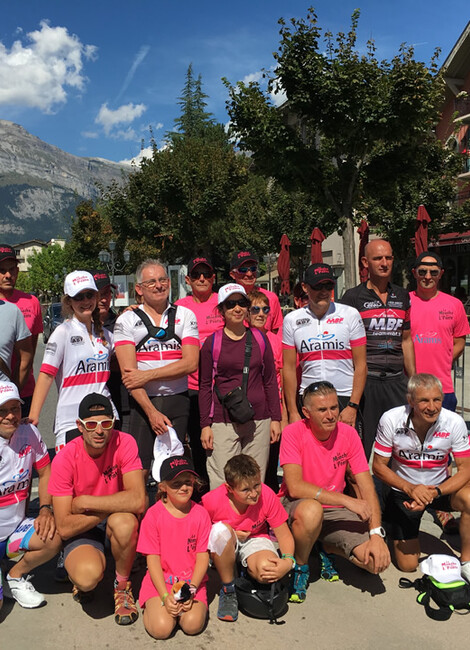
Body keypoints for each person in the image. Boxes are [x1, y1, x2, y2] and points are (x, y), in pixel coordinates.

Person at [279, 381, 390, 603]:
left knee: (374, 563)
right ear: (306, 412)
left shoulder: (348, 434)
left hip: (334, 511)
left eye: (334, 408)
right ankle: (301, 567)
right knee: (312, 511)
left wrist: (377, 534)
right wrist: (347, 500)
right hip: (299, 505)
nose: (330, 415)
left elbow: (366, 485)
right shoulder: (293, 432)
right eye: (322, 410)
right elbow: (295, 486)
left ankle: (324, 544)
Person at [48, 393, 145, 625]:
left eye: (106, 423)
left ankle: (122, 586)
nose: (99, 431)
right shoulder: (64, 458)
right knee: (87, 578)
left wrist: (85, 502)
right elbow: (63, 526)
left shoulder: (125, 442)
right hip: (84, 528)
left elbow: (139, 500)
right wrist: (110, 507)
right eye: (91, 424)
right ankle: (78, 563)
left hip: (103, 518)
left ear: (113, 424)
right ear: (80, 426)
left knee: (125, 522)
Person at [372, 373, 470, 580]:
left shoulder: (454, 422)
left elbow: (465, 469)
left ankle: (466, 561)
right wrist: (410, 489)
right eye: (424, 400)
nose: (432, 407)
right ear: (410, 401)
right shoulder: (391, 418)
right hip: (404, 490)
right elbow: (379, 467)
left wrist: (434, 493)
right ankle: (390, 522)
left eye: (437, 400)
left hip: (440, 488)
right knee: (407, 566)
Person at [113, 259, 199, 479]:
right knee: (138, 471)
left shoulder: (185, 315)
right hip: (142, 404)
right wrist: (151, 412)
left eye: (163, 280)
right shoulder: (126, 320)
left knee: (174, 470)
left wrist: (148, 374)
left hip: (178, 400)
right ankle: (140, 513)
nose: (159, 285)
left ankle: (167, 514)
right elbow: (130, 377)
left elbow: (190, 363)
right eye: (151, 282)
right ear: (139, 289)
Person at [199, 283, 281, 489]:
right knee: (223, 481)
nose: (237, 309)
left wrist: (276, 419)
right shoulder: (212, 343)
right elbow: (205, 385)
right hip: (223, 420)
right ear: (221, 311)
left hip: (259, 419)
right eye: (231, 304)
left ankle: (252, 521)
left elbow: (270, 380)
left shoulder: (260, 339)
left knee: (254, 480)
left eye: (242, 303)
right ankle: (224, 520)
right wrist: (205, 425)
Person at [341, 239, 415, 458]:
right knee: (360, 451)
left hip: (396, 382)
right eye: (378, 258)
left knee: (402, 449)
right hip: (367, 384)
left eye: (389, 258)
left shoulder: (402, 296)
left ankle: (397, 492)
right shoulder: (352, 297)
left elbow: (406, 340)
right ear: (365, 262)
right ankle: (358, 493)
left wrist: (413, 380)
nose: (384, 263)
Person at [29, 271, 117, 452]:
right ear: (69, 302)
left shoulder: (107, 335)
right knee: (75, 479)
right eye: (78, 297)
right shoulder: (62, 333)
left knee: (104, 478)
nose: (85, 301)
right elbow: (46, 376)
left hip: (105, 418)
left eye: (89, 295)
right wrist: (33, 416)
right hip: (72, 420)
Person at [202, 454, 295, 622]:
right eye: (246, 490)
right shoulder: (212, 500)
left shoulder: (266, 495)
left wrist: (288, 562)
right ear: (229, 488)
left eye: (256, 485)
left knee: (268, 571)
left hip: (255, 537)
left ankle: (244, 569)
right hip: (225, 542)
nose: (254, 493)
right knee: (220, 531)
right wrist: (232, 534)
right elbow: (198, 531)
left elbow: (284, 534)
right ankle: (228, 589)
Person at [0, 381, 61, 609]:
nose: (10, 416)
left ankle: (14, 576)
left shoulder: (29, 433)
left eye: (15, 409)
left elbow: (46, 472)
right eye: (2, 411)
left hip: (14, 530)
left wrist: (45, 508)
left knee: (52, 536)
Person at [282, 263, 367, 428]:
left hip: (344, 397)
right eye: (317, 286)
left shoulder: (350, 314)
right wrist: (293, 411)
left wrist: (353, 405)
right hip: (309, 398)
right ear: (305, 287)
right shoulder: (292, 320)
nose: (324, 291)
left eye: (328, 286)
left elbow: (361, 365)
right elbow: (289, 368)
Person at [137, 455, 210, 639]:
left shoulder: (201, 514)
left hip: (191, 582)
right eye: (176, 484)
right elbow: (152, 559)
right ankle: (155, 610)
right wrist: (163, 595)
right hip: (161, 582)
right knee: (161, 630)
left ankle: (177, 612)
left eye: (188, 482)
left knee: (192, 625)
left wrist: (192, 589)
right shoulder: (153, 515)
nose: (184, 487)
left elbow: (202, 556)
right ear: (163, 487)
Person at [175, 256, 224, 480]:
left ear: (214, 278)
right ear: (188, 280)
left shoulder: (223, 302)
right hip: (190, 385)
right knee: (196, 439)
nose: (202, 278)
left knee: (221, 440)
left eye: (206, 274)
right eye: (196, 275)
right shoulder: (179, 307)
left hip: (220, 385)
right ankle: (202, 488)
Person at [410, 251, 470, 413]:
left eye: (433, 272)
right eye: (422, 272)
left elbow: (460, 341)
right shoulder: (404, 302)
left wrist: (443, 360)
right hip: (410, 386)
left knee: (442, 437)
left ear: (441, 274)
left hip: (442, 387)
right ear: (414, 273)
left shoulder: (455, 305)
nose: (427, 276)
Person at [247, 290, 286, 492]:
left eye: (265, 309)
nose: (261, 314)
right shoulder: (241, 337)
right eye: (255, 309)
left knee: (271, 465)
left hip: (273, 411)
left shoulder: (277, 340)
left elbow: (285, 379)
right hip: (248, 411)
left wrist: (283, 415)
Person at [0, 244, 42, 415]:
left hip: (24, 390)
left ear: (17, 271)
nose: (8, 275)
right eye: (2, 270)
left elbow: (29, 353)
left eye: (12, 270)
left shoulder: (31, 302)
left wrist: (14, 391)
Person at [89, 268, 130, 432]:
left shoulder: (123, 321)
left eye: (106, 293)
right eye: (97, 294)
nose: (102, 300)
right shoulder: (77, 327)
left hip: (121, 401)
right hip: (91, 406)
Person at [229, 250, 283, 333]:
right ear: (233, 274)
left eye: (253, 269)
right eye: (243, 270)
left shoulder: (271, 298)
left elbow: (277, 331)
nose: (249, 274)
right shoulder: (227, 300)